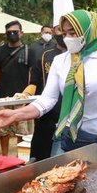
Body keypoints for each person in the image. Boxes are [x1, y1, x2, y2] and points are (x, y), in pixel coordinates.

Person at [0, 10, 97, 157]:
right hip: (67, 133)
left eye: (73, 32)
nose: (67, 38)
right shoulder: (60, 61)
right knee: (60, 176)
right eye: (64, 33)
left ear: (89, 30)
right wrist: (15, 114)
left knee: (96, 179)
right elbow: (47, 100)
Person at [0, 20, 34, 156]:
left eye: (15, 32)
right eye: (9, 32)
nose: (12, 34)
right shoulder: (0, 51)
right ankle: (5, 156)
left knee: (22, 130)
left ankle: (21, 157)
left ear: (21, 33)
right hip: (3, 96)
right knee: (3, 130)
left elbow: (31, 74)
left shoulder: (28, 51)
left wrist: (29, 94)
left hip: (22, 97)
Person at [28, 24, 66, 161]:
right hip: (47, 115)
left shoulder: (84, 57)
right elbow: (34, 82)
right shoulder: (45, 55)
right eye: (60, 30)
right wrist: (25, 95)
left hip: (72, 118)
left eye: (70, 31)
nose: (65, 34)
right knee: (41, 158)